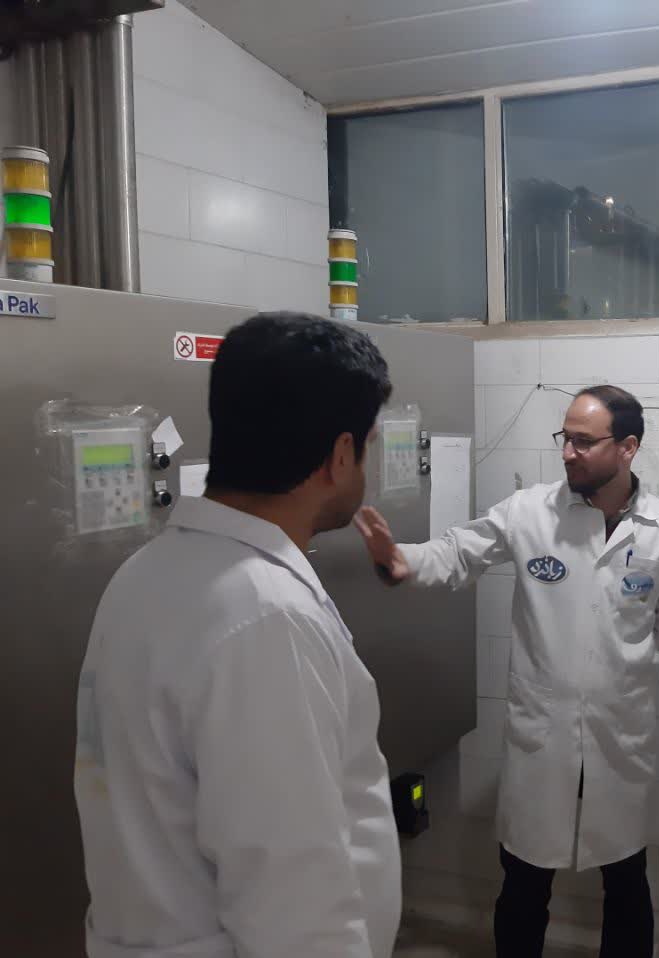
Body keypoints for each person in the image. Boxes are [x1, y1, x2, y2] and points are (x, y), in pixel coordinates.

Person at [73, 313, 401, 958]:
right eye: (368, 444)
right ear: (340, 455)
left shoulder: (147, 572)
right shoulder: (267, 615)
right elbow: (293, 894)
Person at [356, 385, 659, 958]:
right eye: (565, 437)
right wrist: (400, 559)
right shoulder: (530, 512)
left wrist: (605, 674)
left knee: (627, 882)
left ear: (627, 447)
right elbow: (458, 551)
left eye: (583, 441)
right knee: (525, 885)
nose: (567, 452)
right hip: (544, 738)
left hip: (620, 740)